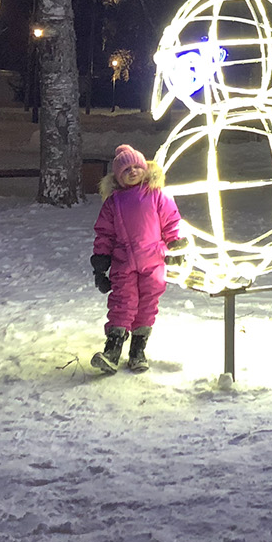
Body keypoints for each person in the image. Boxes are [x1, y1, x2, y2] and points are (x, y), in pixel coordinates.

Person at [90, 144, 184, 374]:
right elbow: (105, 232)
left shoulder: (156, 195)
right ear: (118, 177)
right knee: (123, 303)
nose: (132, 172)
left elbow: (171, 221)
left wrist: (175, 243)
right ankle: (112, 350)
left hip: (153, 261)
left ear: (144, 168)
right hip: (124, 262)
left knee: (147, 305)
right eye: (125, 170)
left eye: (136, 167)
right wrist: (101, 260)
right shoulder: (113, 202)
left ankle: (137, 350)